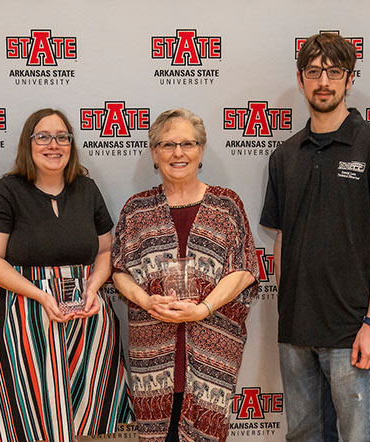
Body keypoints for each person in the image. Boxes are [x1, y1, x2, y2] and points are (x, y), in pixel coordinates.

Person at [260, 33, 370, 441]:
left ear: (349, 79)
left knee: (359, 435)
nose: (323, 81)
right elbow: (282, 238)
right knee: (304, 435)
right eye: (313, 72)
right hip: (295, 333)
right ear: (301, 78)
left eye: (333, 72)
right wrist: (286, 308)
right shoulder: (284, 155)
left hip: (352, 330)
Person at [0, 109, 134, 442]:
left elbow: (106, 251)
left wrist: (94, 286)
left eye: (62, 137)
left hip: (87, 317)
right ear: (28, 143)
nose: (54, 145)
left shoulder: (87, 189)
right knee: (25, 421)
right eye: (43, 136)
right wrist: (40, 295)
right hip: (24, 318)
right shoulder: (8, 190)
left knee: (80, 424)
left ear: (71, 144)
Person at [112, 108, 258, 442]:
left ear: (201, 150)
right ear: (154, 153)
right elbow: (119, 271)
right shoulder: (137, 209)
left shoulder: (226, 205)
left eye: (188, 144)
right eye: (167, 145)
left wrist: (203, 308)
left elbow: (244, 270)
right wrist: (146, 299)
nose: (178, 153)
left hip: (212, 345)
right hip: (153, 346)